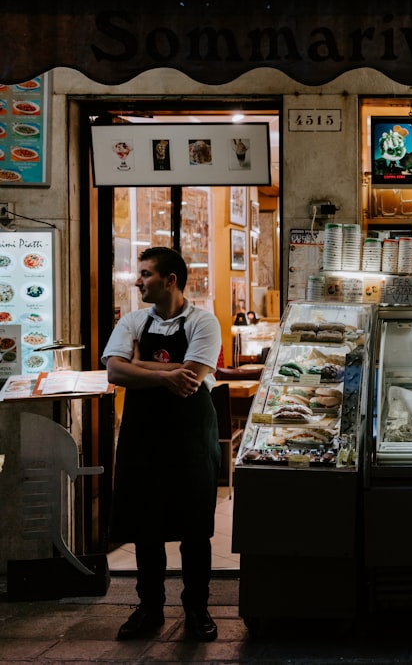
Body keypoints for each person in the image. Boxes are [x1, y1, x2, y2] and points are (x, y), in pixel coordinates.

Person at [101, 247, 223, 642]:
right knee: (144, 525)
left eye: (145, 274)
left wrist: (142, 365)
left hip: (190, 436)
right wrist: (165, 373)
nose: (137, 281)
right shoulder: (133, 319)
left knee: (194, 527)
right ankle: (149, 608)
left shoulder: (204, 321)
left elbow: (194, 374)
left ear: (170, 280)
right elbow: (115, 370)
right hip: (142, 434)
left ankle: (197, 610)